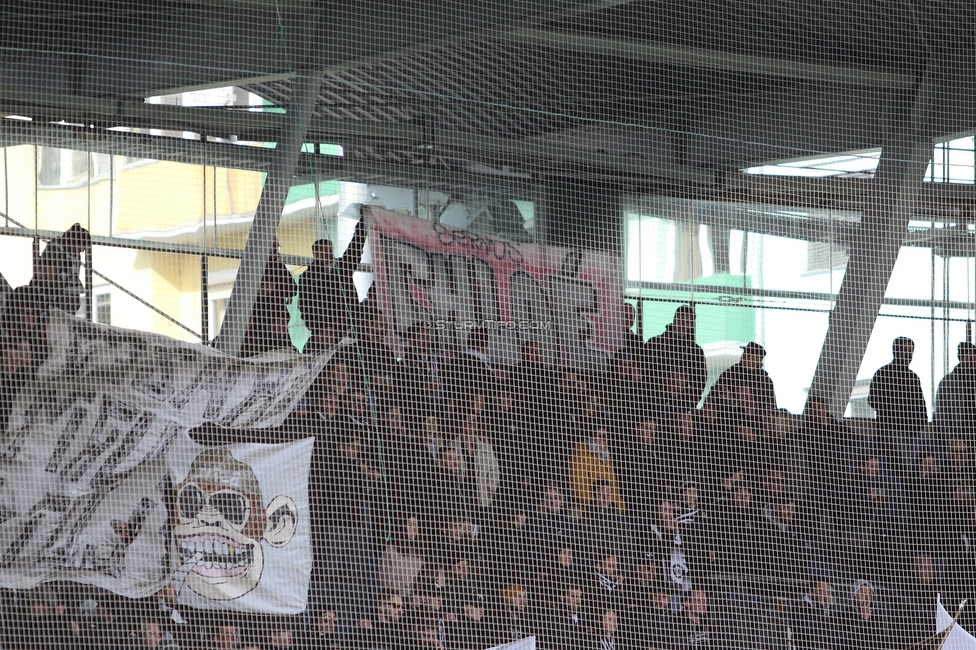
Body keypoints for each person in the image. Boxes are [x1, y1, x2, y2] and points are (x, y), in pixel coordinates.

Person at [299, 216, 367, 352]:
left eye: (329, 249)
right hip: (322, 332)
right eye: (323, 251)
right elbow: (304, 305)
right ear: (315, 254)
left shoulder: (343, 266)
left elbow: (355, 248)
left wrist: (363, 224)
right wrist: (321, 328)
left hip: (346, 326)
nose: (327, 253)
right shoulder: (307, 276)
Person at [868, 337, 928, 474]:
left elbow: (921, 405)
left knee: (911, 471)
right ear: (896, 351)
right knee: (895, 470)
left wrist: (919, 424)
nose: (908, 354)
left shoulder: (913, 378)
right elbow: (873, 399)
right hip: (890, 431)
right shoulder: (883, 374)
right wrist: (895, 414)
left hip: (912, 434)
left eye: (911, 351)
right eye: (905, 350)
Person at [709, 342, 777, 441]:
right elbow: (715, 397)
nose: (747, 358)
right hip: (728, 424)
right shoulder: (729, 374)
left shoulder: (765, 381)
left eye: (751, 356)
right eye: (746, 354)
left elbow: (770, 407)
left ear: (759, 361)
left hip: (757, 428)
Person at [646, 305, 708, 413]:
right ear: (675, 319)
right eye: (681, 319)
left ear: (691, 325)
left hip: (681, 408)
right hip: (652, 403)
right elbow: (645, 372)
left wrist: (686, 407)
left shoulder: (696, 351)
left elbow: (699, 383)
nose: (683, 325)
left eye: (688, 322)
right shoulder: (655, 343)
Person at [241, 238, 297, 356]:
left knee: (283, 349)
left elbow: (292, 289)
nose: (275, 250)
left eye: (276, 247)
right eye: (272, 246)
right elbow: (245, 292)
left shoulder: (279, 266)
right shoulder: (252, 266)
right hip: (260, 318)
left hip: (277, 313)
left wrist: (274, 287)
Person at [30, 222, 91, 315]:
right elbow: (48, 275)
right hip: (47, 295)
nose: (82, 250)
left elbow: (73, 277)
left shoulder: (75, 256)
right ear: (76, 241)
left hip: (62, 297)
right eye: (82, 246)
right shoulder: (55, 247)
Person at [934, 341, 976, 439]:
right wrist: (949, 436)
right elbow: (941, 410)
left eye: (973, 355)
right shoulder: (948, 381)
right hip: (958, 433)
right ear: (960, 357)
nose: (971, 359)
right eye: (968, 355)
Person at [791, 578, 843, 650]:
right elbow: (807, 632)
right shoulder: (800, 606)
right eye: (821, 591)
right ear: (811, 591)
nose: (825, 594)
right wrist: (820, 606)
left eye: (827, 590)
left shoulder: (832, 609)